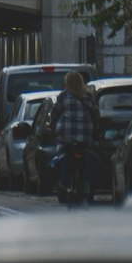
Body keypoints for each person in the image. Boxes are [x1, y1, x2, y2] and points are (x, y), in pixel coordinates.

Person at [49, 71, 99, 199]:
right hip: (85, 137)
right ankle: (87, 184)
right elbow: (96, 115)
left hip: (66, 137)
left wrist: (52, 128)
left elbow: (54, 115)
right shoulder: (89, 97)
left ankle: (63, 184)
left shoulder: (63, 97)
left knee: (62, 156)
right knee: (89, 156)